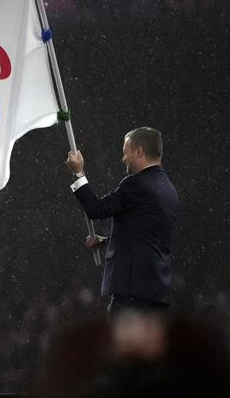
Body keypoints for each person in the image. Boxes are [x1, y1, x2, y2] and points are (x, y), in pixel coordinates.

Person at [65, 127, 179, 320]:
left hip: (131, 291)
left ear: (139, 151)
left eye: (125, 151)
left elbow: (96, 209)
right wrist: (107, 241)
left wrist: (78, 173)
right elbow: (147, 237)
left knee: (124, 349)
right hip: (158, 293)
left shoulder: (136, 184)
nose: (123, 158)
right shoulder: (170, 190)